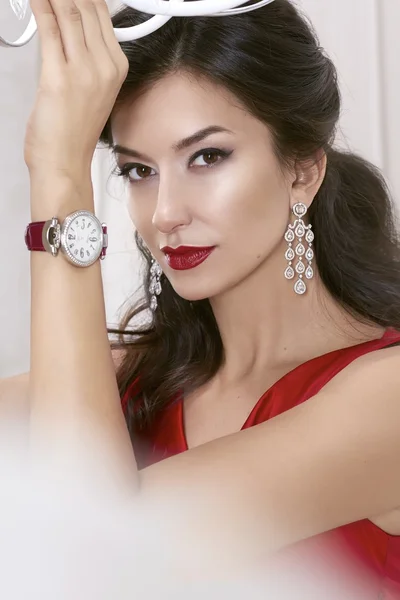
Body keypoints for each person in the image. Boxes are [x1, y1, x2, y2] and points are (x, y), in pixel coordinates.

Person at [2, 0, 400, 596]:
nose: (165, 214)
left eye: (207, 157)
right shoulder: (132, 376)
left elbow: (92, 565)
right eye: (138, 171)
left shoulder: (386, 400)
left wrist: (58, 170)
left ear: (302, 171)